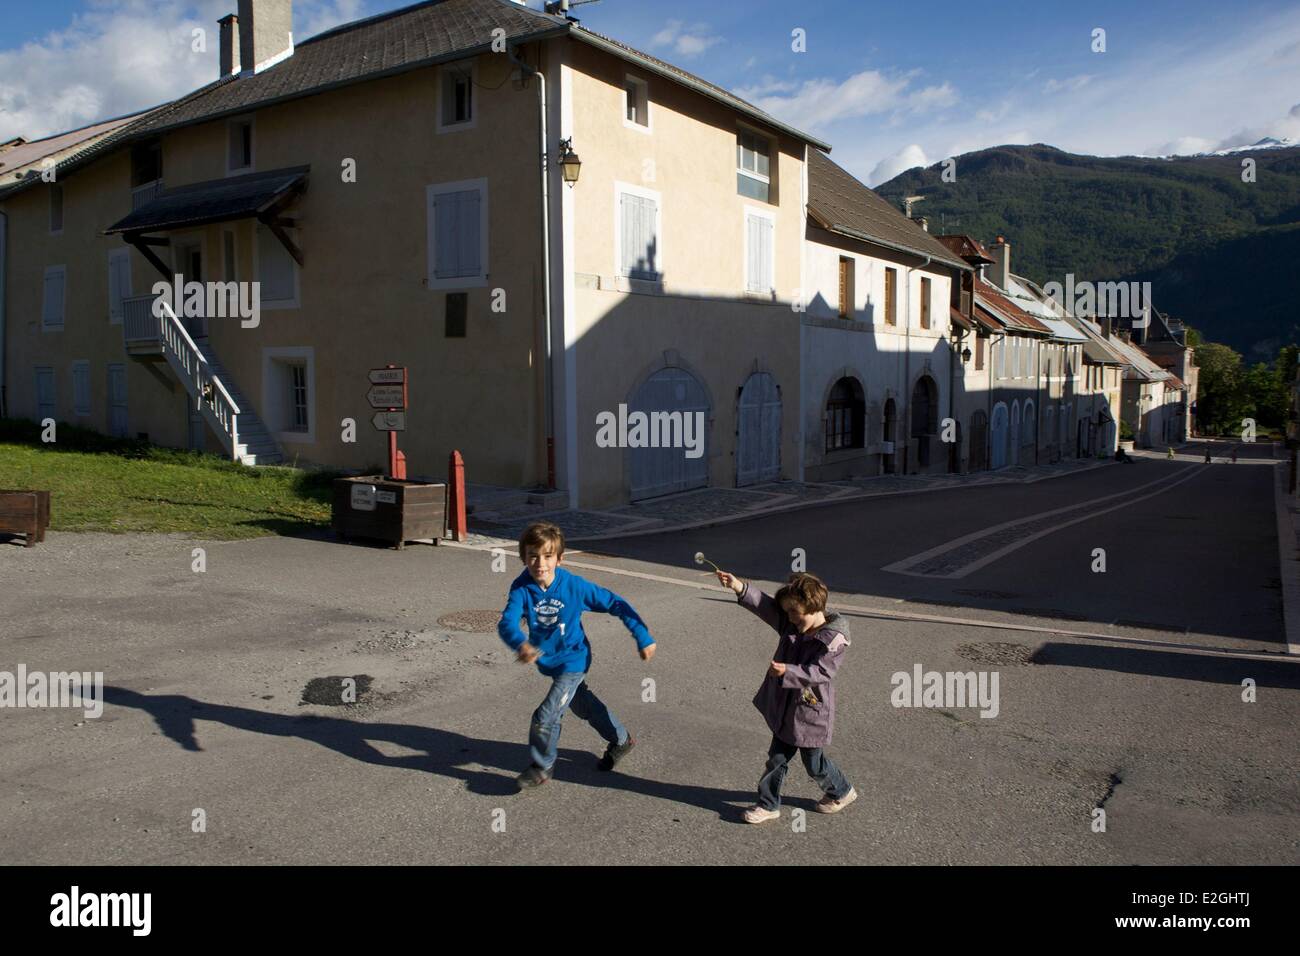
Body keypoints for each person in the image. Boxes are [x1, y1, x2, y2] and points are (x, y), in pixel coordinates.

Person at [497, 521, 655, 790]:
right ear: (523, 556)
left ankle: (542, 766)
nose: (540, 563)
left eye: (547, 556)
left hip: (574, 660)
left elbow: (616, 603)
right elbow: (507, 622)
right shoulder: (521, 587)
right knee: (582, 705)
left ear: (559, 559)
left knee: (546, 715)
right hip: (549, 662)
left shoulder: (574, 586)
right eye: (533, 555)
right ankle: (621, 739)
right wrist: (520, 643)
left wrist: (643, 636)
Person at [715, 569, 857, 823]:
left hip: (811, 713)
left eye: (794, 612)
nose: (789, 617)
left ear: (814, 608)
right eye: (788, 612)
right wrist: (739, 587)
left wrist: (787, 671)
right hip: (786, 709)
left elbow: (822, 671)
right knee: (776, 759)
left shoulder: (832, 640)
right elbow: (767, 607)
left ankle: (842, 791)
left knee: (814, 764)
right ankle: (768, 804)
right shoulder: (793, 624)